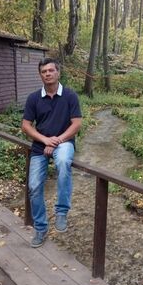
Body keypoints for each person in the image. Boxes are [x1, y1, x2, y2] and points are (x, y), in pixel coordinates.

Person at [21, 58, 82, 248]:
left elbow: (77, 124)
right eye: (43, 71)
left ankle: (61, 211)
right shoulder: (33, 98)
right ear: (40, 75)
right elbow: (26, 125)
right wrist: (45, 140)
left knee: (63, 162)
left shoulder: (70, 96)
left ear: (58, 72)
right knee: (34, 186)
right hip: (41, 145)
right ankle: (40, 228)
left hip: (64, 142)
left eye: (50, 70)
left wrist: (56, 141)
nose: (47, 74)